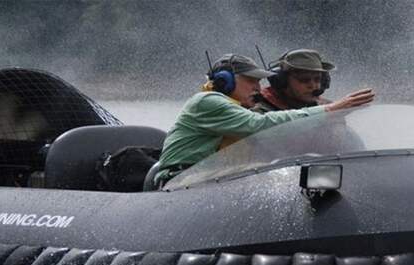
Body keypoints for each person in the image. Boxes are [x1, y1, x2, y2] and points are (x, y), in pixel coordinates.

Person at [154, 53, 374, 187]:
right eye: (251, 81)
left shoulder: (238, 109)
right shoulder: (207, 101)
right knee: (274, 174)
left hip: (211, 179)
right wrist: (330, 110)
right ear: (225, 81)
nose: (258, 88)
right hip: (182, 180)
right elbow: (260, 125)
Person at [252, 49, 335, 113]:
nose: (313, 85)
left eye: (317, 79)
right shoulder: (261, 114)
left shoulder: (328, 108)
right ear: (282, 81)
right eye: (304, 80)